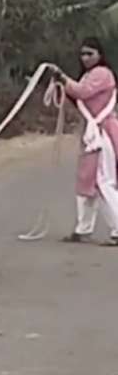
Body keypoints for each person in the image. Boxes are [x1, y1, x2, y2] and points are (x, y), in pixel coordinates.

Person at [52, 36, 118, 246]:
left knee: (102, 181)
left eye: (90, 53)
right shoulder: (89, 75)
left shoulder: (102, 74)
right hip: (92, 133)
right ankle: (83, 228)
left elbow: (82, 92)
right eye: (83, 54)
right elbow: (78, 96)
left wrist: (63, 78)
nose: (85, 58)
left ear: (100, 55)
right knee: (86, 181)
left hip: (103, 133)